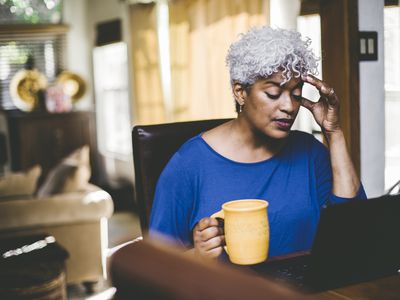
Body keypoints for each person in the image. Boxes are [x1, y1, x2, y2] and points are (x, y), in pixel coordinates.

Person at [149, 26, 366, 260]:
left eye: (295, 93)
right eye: (273, 93)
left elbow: (353, 229)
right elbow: (152, 268)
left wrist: (334, 132)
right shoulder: (189, 164)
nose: (289, 107)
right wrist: (197, 256)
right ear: (240, 92)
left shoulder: (309, 152)